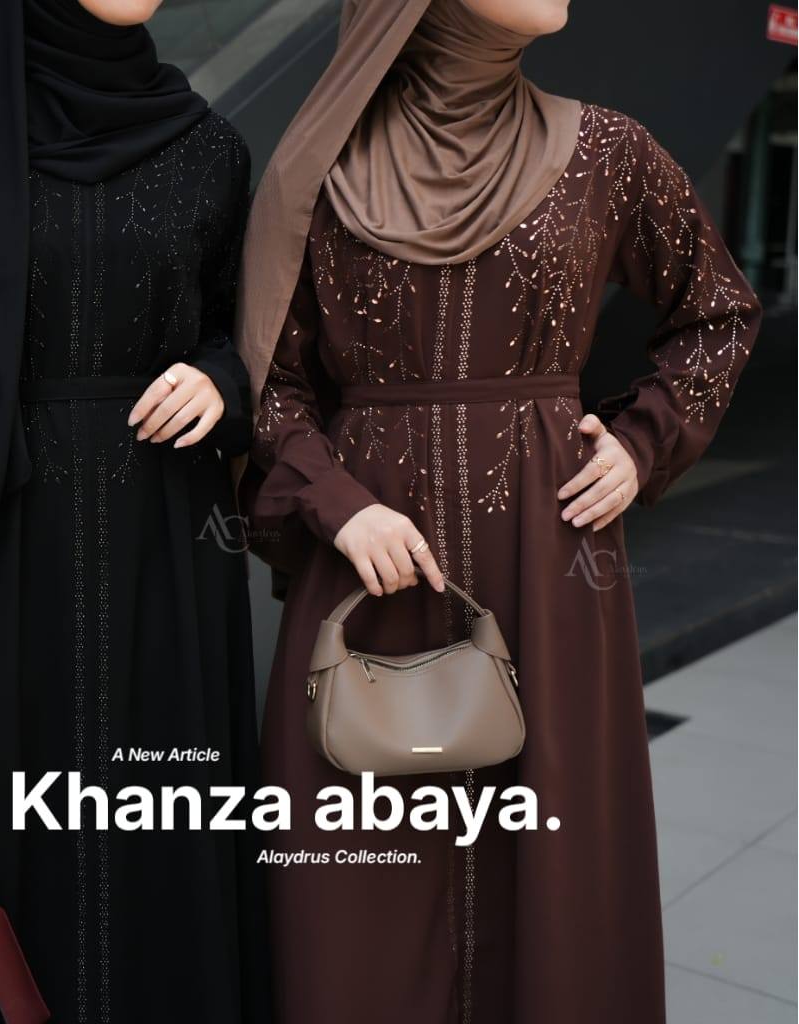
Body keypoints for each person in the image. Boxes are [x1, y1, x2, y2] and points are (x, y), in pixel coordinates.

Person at [235, 0, 761, 1021]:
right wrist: (337, 506)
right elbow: (273, 384)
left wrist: (641, 442)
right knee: (358, 873)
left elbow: (717, 310)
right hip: (373, 567)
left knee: (553, 867)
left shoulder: (607, 152)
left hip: (549, 568)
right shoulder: (321, 170)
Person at [0, 1, 268, 1020]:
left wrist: (221, 381)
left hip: (164, 549)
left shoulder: (207, 147)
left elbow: (239, 330)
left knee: (157, 830)